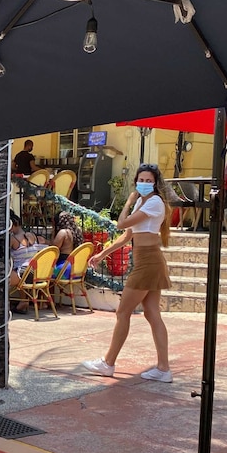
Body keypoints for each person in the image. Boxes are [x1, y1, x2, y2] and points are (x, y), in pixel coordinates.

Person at [82, 164, 173, 383]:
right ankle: (163, 368)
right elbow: (127, 236)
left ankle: (108, 363)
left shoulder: (153, 202)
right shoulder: (145, 202)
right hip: (146, 260)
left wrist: (129, 201)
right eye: (141, 179)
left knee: (123, 313)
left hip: (148, 261)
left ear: (156, 183)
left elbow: (122, 224)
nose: (143, 183)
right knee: (152, 314)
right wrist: (102, 254)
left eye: (148, 180)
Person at [9, 212, 47, 314]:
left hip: (24, 273)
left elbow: (3, 254)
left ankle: (4, 304)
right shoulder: (32, 235)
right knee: (20, 269)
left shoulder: (13, 239)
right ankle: (23, 301)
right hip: (36, 272)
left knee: (1, 278)